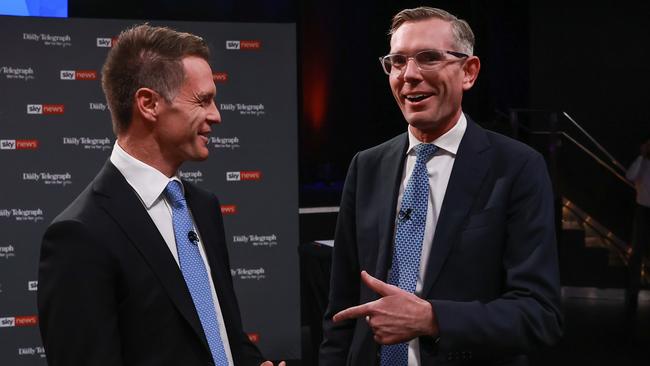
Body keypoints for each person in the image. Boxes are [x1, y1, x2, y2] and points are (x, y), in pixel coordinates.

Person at [320, 7, 562, 365]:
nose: (410, 75)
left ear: (469, 72)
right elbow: (341, 310)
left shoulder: (516, 168)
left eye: (429, 58)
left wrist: (432, 319)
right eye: (397, 61)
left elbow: (540, 315)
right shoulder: (367, 166)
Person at [38, 24, 283, 366]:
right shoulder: (79, 235)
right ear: (149, 104)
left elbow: (221, 335)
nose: (216, 115)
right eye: (203, 100)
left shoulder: (204, 207)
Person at [625, 139, 650, 315]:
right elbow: (631, 176)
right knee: (637, 252)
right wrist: (641, 155)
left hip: (644, 210)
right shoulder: (643, 164)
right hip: (643, 210)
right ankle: (633, 290)